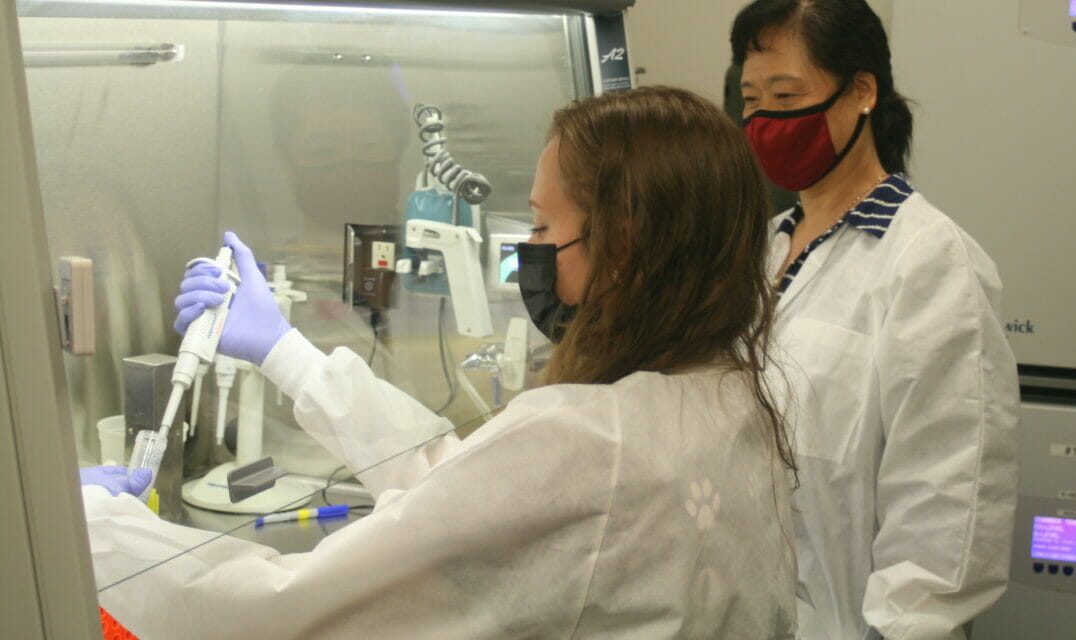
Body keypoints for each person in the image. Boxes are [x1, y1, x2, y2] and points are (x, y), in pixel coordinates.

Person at [80, 86, 800, 639]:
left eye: (545, 226)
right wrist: (286, 352)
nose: (531, 251)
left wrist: (91, 524)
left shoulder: (594, 439)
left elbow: (284, 610)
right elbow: (468, 491)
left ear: (626, 243)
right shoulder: (731, 401)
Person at [730, 0, 1020, 640]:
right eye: (752, 100)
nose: (767, 121)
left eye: (787, 96)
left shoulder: (929, 260)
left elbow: (949, 503)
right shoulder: (763, 249)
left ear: (862, 92)